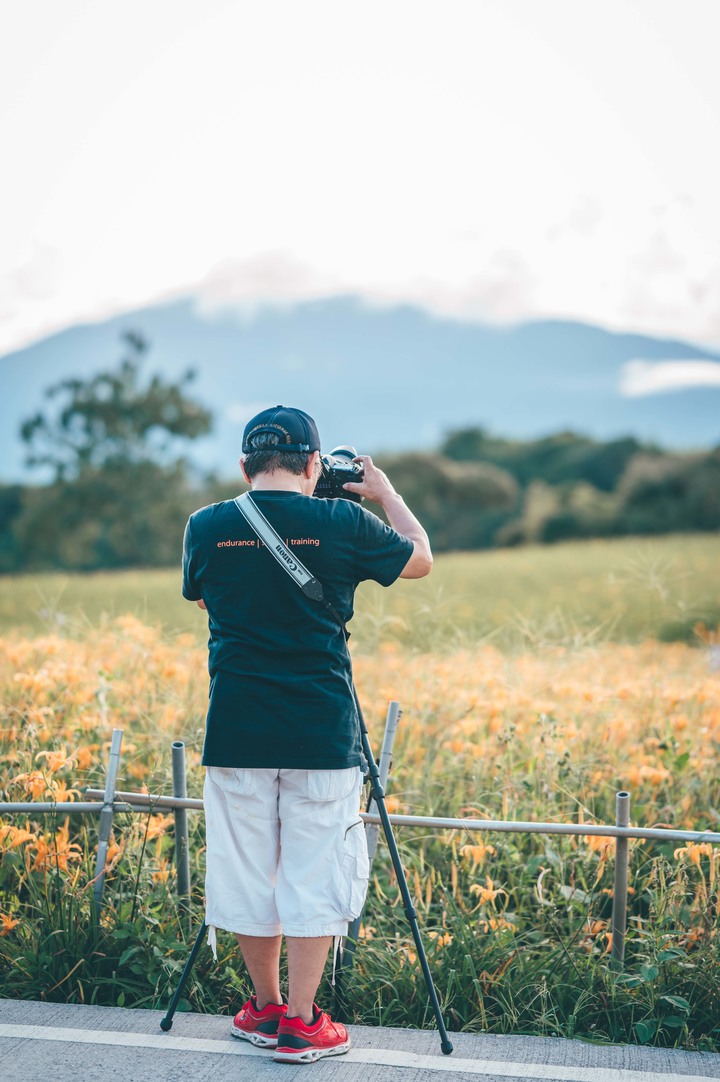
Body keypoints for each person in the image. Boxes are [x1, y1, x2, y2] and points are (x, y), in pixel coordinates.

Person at [182, 405, 432, 1064]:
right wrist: (383, 493)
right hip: (321, 733)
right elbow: (421, 561)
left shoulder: (206, 527)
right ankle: (302, 1021)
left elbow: (211, 600)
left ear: (243, 466)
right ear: (315, 464)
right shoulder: (345, 521)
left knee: (247, 873)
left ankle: (262, 1009)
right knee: (315, 872)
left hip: (235, 731)